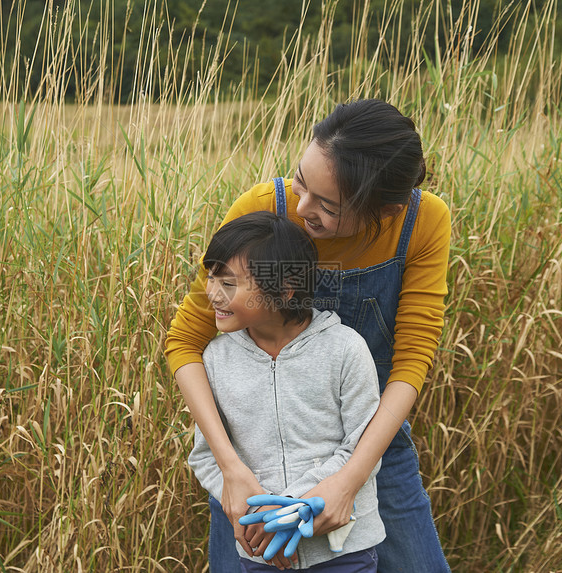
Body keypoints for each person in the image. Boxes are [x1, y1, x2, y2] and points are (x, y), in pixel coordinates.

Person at [166, 99, 451, 572]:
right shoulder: (263, 210)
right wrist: (232, 470)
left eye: (328, 206)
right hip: (251, 460)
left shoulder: (421, 222)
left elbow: (412, 360)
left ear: (387, 210)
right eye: (301, 181)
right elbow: (184, 342)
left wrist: (350, 481)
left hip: (370, 441)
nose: (301, 208)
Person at [188, 210, 385, 570]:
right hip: (260, 553)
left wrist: (287, 510)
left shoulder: (344, 349)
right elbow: (205, 455)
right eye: (210, 277)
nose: (211, 294)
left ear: (284, 289)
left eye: (228, 283)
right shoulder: (215, 360)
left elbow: (361, 448)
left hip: (343, 550)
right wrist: (256, 516)